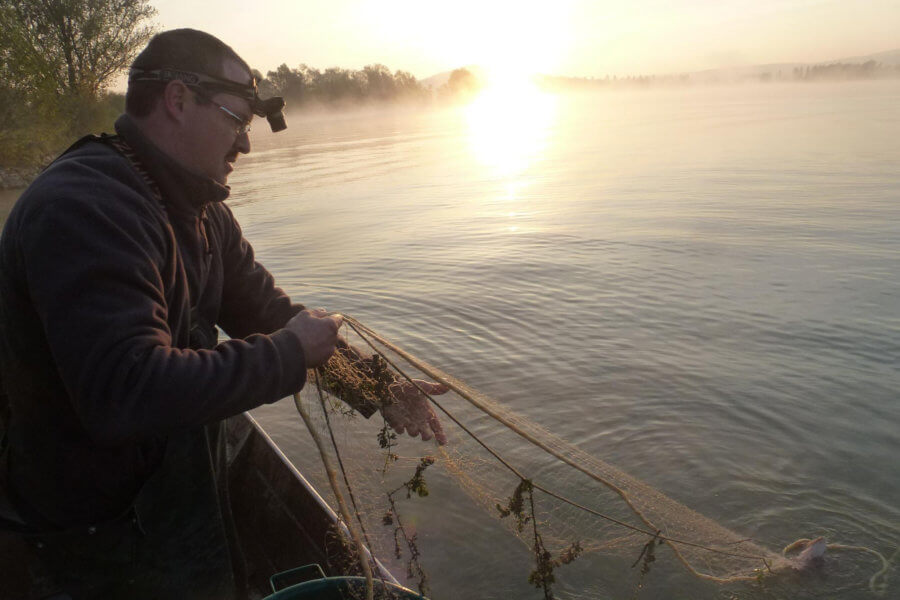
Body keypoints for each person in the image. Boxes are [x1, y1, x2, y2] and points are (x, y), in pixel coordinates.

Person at [0, 28, 445, 599]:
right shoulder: (85, 207)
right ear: (178, 101)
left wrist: (377, 386)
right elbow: (126, 392)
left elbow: (265, 311)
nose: (246, 145)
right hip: (85, 538)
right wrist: (287, 354)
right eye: (237, 119)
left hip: (168, 501)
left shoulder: (198, 207)